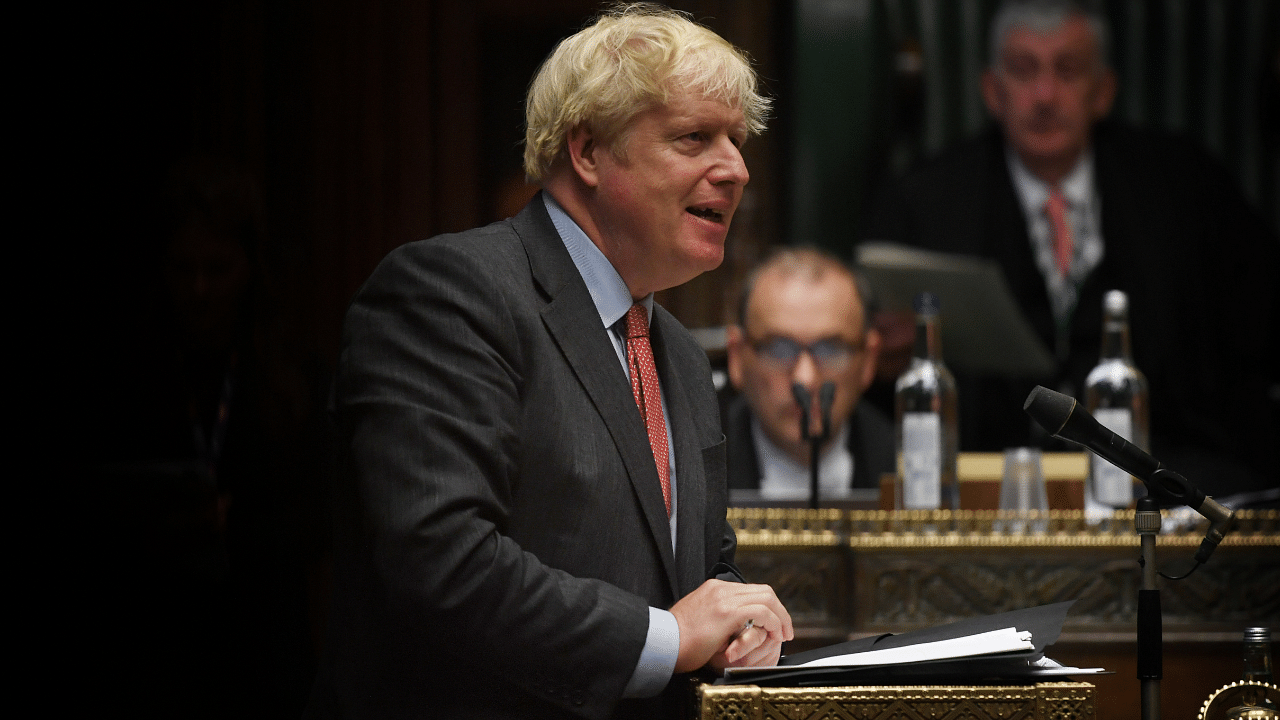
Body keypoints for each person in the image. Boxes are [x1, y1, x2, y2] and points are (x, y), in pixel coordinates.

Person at [305, 6, 794, 719]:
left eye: (737, 141)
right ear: (589, 150)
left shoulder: (681, 356)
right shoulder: (452, 293)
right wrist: (668, 637)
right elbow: (442, 560)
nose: (737, 169)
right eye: (695, 138)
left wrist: (738, 627)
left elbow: (691, 570)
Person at [861, 0, 1278, 496]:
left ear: (1103, 91)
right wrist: (883, 358)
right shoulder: (923, 202)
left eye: (1068, 70)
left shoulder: (1186, 189)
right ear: (992, 91)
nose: (1044, 95)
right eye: (1023, 70)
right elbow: (877, 370)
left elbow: (1256, 343)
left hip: (1162, 478)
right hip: (989, 478)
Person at [722, 247, 893, 500]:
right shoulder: (687, 471)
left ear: (869, 360)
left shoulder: (903, 468)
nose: (805, 379)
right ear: (736, 357)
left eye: (831, 350)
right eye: (779, 349)